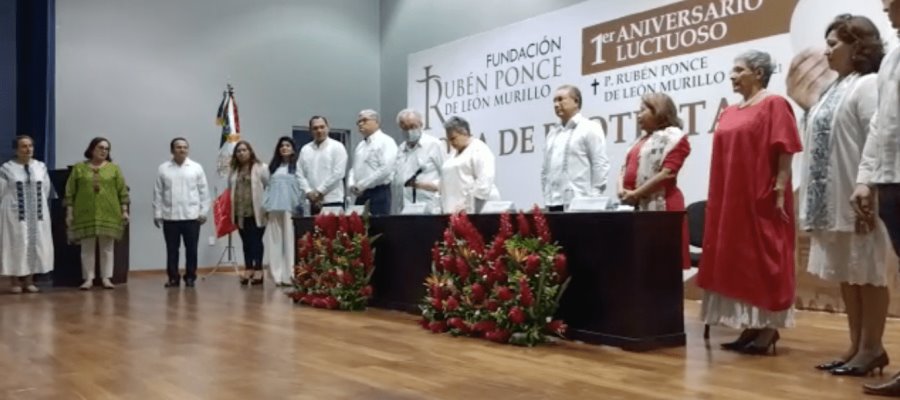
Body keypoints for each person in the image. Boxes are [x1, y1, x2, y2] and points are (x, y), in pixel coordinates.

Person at [793, 15, 890, 377]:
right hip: (833, 198)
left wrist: (868, 184)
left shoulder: (866, 85)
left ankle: (872, 347)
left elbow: (877, 138)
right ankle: (855, 346)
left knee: (868, 273)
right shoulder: (834, 89)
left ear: (858, 46)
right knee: (848, 274)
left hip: (860, 193)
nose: (827, 51)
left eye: (834, 43)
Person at [696, 50, 803, 355]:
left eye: (738, 69)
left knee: (763, 257)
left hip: (761, 193)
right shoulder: (729, 111)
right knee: (739, 261)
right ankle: (751, 326)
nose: (732, 75)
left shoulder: (774, 104)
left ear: (758, 72)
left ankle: (767, 328)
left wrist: (780, 187)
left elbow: (786, 149)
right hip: (731, 196)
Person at [858, 0, 900, 395]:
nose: (885, 5)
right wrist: (865, 179)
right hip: (891, 178)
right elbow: (879, 123)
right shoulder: (891, 58)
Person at [617, 93, 691, 268]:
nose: (638, 115)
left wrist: (636, 193)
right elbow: (623, 169)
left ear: (659, 111)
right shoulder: (639, 141)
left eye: (642, 110)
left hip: (663, 208)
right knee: (640, 264)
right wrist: (621, 189)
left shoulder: (675, 138)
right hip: (634, 207)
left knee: (663, 266)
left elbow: (667, 173)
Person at [64, 137, 130, 290]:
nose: (104, 151)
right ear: (92, 149)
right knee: (87, 247)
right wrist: (69, 212)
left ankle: (106, 278)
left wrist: (124, 210)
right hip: (85, 213)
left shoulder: (114, 168)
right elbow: (70, 191)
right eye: (100, 147)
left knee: (107, 247)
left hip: (109, 213)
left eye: (107, 149)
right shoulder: (79, 168)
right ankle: (88, 278)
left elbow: (122, 191)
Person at [152, 137, 210, 288]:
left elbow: (204, 192)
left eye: (185, 147)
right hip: (170, 217)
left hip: (192, 216)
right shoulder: (163, 168)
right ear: (172, 150)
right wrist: (157, 213)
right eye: (178, 147)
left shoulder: (196, 168)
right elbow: (158, 193)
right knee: (172, 250)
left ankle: (190, 277)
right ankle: (173, 278)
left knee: (191, 249)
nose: (182, 149)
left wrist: (204, 211)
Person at [542, 84, 609, 211]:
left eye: (561, 99)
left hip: (580, 203)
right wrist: (546, 196)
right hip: (552, 203)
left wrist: (594, 198)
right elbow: (545, 170)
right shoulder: (552, 133)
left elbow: (600, 163)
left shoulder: (589, 127)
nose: (556, 104)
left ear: (576, 101)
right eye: (554, 101)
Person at [0, 135, 54, 293]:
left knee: (35, 245)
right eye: (23, 146)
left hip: (37, 214)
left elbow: (46, 188)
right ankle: (15, 281)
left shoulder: (40, 167)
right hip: (14, 214)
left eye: (30, 146)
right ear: (16, 149)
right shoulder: (7, 169)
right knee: (17, 244)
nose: (28, 149)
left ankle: (30, 280)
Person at [264, 136, 306, 286]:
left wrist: (300, 206)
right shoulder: (273, 168)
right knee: (274, 242)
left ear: (293, 148)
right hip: (274, 208)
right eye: (282, 146)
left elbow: (302, 188)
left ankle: (290, 275)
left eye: (288, 145)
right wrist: (266, 206)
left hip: (290, 208)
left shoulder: (298, 168)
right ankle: (277, 275)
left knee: (289, 241)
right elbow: (267, 188)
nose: (284, 148)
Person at [228, 140, 269, 286]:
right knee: (245, 242)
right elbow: (230, 191)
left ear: (250, 151)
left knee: (256, 242)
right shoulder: (234, 171)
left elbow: (269, 187)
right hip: (240, 212)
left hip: (257, 211)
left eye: (244, 150)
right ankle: (248, 268)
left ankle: (258, 269)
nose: (241, 153)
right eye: (238, 151)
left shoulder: (261, 167)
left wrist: (268, 207)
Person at [439, 116, 500, 214]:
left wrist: (467, 207)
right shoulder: (452, 156)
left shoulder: (479, 149)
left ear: (464, 133)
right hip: (452, 213)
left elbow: (484, 182)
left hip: (474, 213)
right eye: (448, 140)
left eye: (453, 138)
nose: (451, 143)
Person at [391, 109, 446, 214]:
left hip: (429, 207)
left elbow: (447, 176)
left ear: (421, 124)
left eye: (412, 126)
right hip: (405, 209)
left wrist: (428, 186)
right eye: (405, 128)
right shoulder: (401, 149)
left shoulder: (434, 145)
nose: (409, 131)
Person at [348, 109, 397, 216]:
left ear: (376, 122)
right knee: (358, 228)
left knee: (377, 228)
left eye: (364, 120)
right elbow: (354, 168)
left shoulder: (386, 141)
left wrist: (362, 184)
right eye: (358, 122)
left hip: (378, 192)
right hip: (360, 193)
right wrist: (351, 184)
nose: (360, 124)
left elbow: (386, 169)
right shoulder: (360, 145)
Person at [298, 116, 348, 215]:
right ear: (310, 130)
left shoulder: (337, 147)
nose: (319, 130)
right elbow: (299, 173)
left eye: (322, 127)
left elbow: (338, 173)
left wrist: (319, 191)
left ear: (328, 128)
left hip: (332, 200)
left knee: (334, 231)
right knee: (311, 230)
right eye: (315, 128)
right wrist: (308, 192)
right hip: (312, 202)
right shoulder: (305, 149)